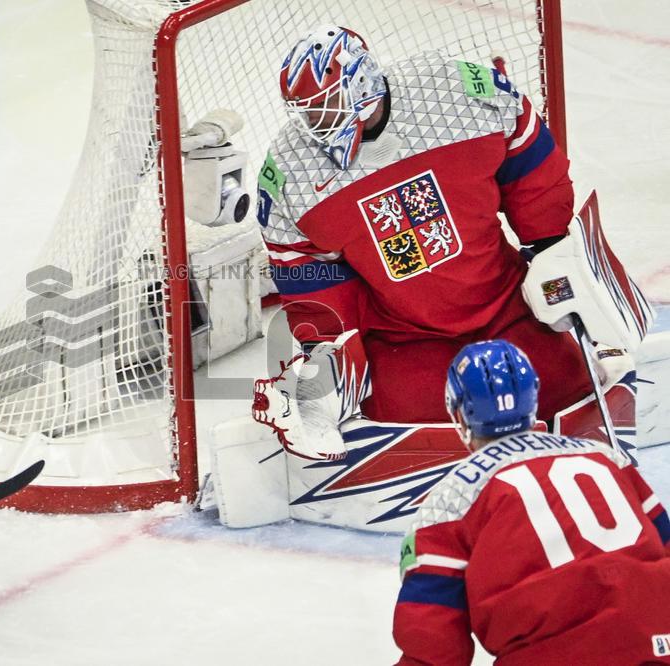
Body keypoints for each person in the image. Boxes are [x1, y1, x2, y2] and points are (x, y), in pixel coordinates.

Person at [254, 25, 602, 460]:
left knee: (568, 389)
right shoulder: (291, 170)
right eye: (306, 113)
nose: (314, 124)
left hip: (507, 306)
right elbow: (300, 263)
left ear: (361, 84)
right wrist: (328, 350)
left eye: (324, 106)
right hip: (404, 337)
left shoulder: (454, 89)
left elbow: (526, 147)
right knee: (401, 431)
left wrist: (548, 244)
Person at [393, 340, 670, 665]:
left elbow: (433, 639)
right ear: (533, 400)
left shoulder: (451, 498)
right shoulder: (606, 458)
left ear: (460, 414)